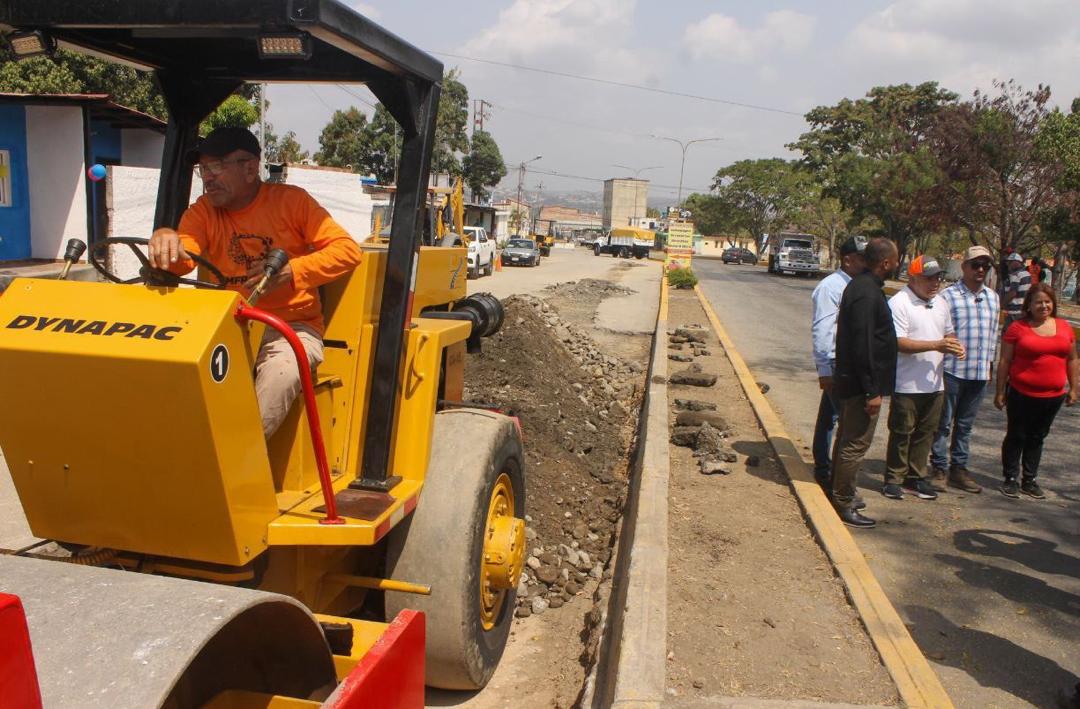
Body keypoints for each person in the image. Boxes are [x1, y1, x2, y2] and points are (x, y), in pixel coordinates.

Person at [148, 126, 363, 438]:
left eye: (217, 167)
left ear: (250, 168)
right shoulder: (203, 212)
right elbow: (185, 258)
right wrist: (165, 240)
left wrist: (292, 272)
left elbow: (347, 251)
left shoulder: (293, 203)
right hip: (229, 326)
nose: (208, 177)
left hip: (291, 327)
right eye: (203, 169)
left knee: (282, 372)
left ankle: (238, 461)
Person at [829, 237, 900, 528]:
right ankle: (843, 501)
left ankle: (841, 492)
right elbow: (863, 347)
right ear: (885, 263)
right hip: (861, 386)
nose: (897, 264)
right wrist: (873, 390)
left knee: (847, 439)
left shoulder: (864, 287)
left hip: (856, 382)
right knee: (855, 443)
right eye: (895, 259)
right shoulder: (866, 293)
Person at [882, 256, 965, 501]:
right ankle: (893, 478)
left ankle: (915, 477)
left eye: (938, 277)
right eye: (929, 278)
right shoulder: (900, 303)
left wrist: (954, 344)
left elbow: (948, 332)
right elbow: (898, 342)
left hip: (934, 382)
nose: (935, 283)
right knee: (902, 432)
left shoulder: (940, 303)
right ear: (913, 278)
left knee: (926, 432)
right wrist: (937, 345)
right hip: (906, 382)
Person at [994, 283, 1078, 499]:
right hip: (1021, 393)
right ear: (1029, 305)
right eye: (1038, 302)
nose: (1044, 306)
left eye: (1048, 301)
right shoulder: (1017, 328)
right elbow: (1005, 361)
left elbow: (1072, 359)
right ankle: (1010, 478)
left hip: (1053, 396)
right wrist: (1000, 391)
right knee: (1017, 434)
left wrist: (1074, 388)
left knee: (1038, 437)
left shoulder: (1065, 327)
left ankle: (1029, 480)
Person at [929, 246, 1000, 493]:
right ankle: (938, 468)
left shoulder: (993, 297)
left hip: (979, 373)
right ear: (964, 266)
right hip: (952, 370)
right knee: (943, 423)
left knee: (965, 425)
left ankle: (959, 469)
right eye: (975, 265)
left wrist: (990, 365)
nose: (980, 270)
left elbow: (992, 336)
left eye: (985, 266)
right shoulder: (947, 296)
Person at [810, 236, 867, 496]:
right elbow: (822, 329)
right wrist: (824, 369)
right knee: (846, 424)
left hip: (842, 362)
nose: (867, 262)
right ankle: (834, 481)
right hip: (834, 361)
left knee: (829, 419)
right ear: (848, 259)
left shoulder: (855, 285)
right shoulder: (832, 287)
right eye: (862, 257)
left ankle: (824, 469)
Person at [1003, 252, 1031, 330]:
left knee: (1007, 334)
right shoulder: (1027, 274)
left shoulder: (1015, 275)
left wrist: (1001, 305)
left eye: (1009, 262)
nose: (1007, 265)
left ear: (1015, 262)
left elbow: (1012, 293)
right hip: (1023, 310)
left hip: (1014, 312)